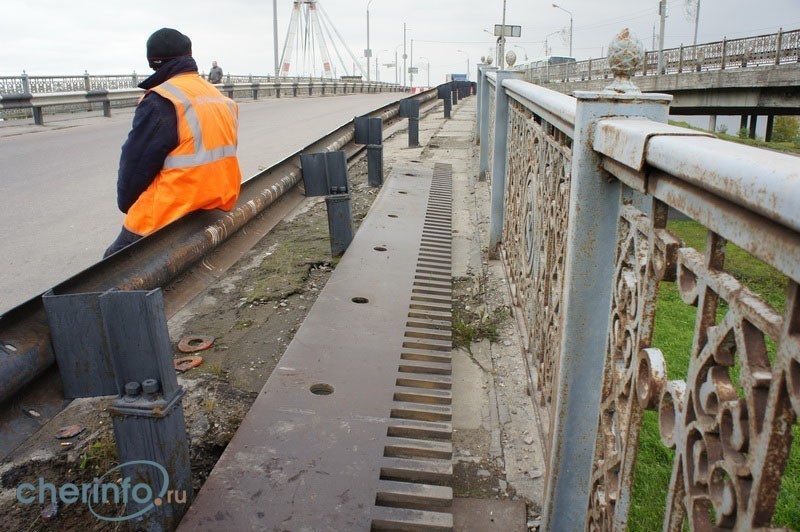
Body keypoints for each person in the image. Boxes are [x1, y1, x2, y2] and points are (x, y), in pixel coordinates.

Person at [104, 28, 241, 258]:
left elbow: (135, 165)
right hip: (217, 201)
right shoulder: (219, 98)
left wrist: (128, 206)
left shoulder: (163, 99)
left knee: (109, 269)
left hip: (172, 210)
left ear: (154, 63)